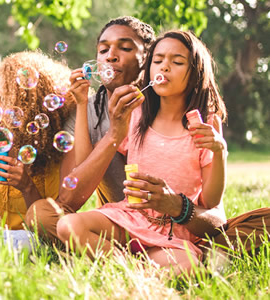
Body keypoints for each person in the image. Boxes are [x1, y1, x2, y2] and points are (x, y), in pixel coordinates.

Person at [26, 16, 269, 254]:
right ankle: (148, 262)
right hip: (126, 220)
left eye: (125, 47)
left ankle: (154, 256)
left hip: (185, 222)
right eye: (103, 49)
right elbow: (73, 189)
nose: (111, 55)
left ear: (144, 60)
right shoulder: (129, 113)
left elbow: (211, 209)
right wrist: (102, 123)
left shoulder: (201, 120)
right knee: (48, 217)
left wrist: (218, 152)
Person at [56, 30, 228, 273]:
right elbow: (84, 163)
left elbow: (210, 201)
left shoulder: (206, 122)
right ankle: (136, 272)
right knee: (68, 226)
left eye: (177, 62)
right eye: (157, 61)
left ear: (196, 74)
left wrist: (219, 151)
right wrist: (83, 103)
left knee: (190, 263)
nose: (164, 68)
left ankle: (123, 268)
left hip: (173, 229)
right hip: (130, 218)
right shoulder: (136, 114)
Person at [0, 51, 75, 231]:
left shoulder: (55, 156)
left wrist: (26, 186)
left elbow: (48, 225)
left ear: (28, 106)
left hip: (31, 240)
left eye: (3, 99)